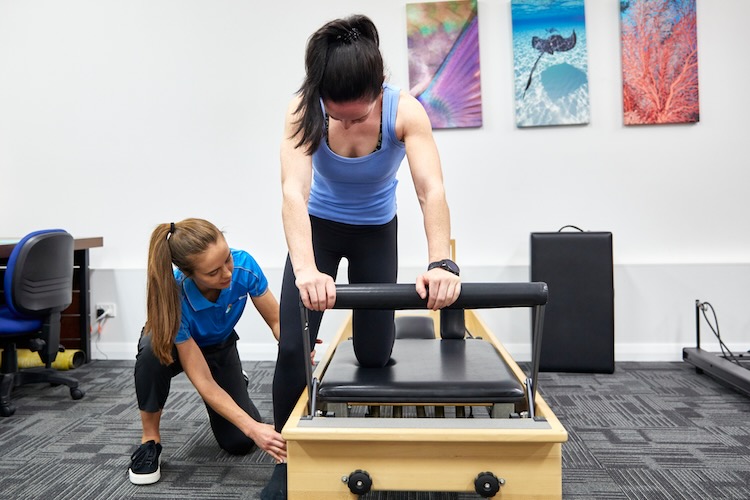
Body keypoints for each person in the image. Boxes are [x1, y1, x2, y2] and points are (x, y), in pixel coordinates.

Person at [262, 14, 461, 499]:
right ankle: (291, 457)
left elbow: (430, 189)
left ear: (380, 87)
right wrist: (306, 269)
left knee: (374, 354)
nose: (349, 124)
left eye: (358, 114)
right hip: (319, 231)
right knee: (293, 347)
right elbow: (293, 192)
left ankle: (368, 434)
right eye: (340, 116)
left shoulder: (404, 111)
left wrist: (441, 262)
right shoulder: (302, 110)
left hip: (376, 231)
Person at [128, 218, 287, 485]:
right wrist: (253, 427)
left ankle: (238, 382)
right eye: (213, 273)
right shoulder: (175, 299)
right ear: (189, 274)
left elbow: (277, 321)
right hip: (175, 348)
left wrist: (294, 345)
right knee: (150, 350)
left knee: (239, 442)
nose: (226, 273)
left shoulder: (244, 266)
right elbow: (203, 381)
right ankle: (150, 440)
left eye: (227, 259)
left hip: (219, 345)